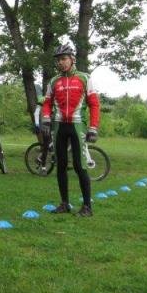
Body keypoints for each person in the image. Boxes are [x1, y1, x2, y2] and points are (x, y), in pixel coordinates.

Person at [41, 44, 100, 217]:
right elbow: (46, 102)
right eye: (58, 60)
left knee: (79, 166)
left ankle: (87, 206)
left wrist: (93, 127)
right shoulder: (54, 81)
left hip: (77, 125)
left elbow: (94, 104)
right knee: (60, 166)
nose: (61, 62)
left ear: (72, 59)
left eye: (64, 59)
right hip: (59, 125)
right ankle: (64, 204)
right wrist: (45, 118)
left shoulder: (84, 78)